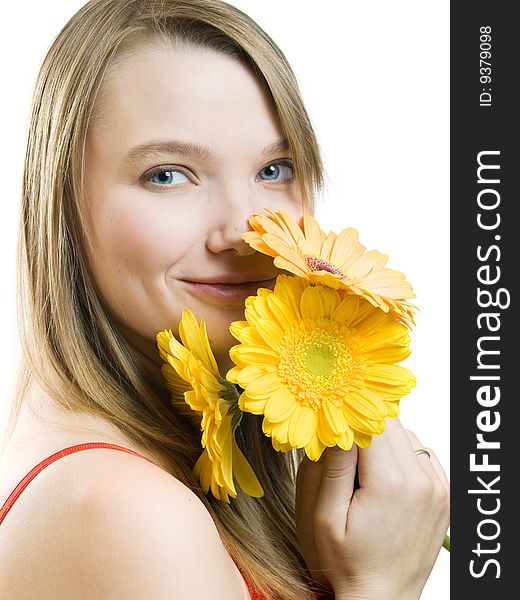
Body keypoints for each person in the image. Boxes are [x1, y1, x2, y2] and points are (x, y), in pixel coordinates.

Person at [0, 1, 450, 598]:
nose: (247, 230)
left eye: (274, 168)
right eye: (168, 174)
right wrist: (380, 584)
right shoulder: (122, 511)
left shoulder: (159, 467)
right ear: (62, 207)